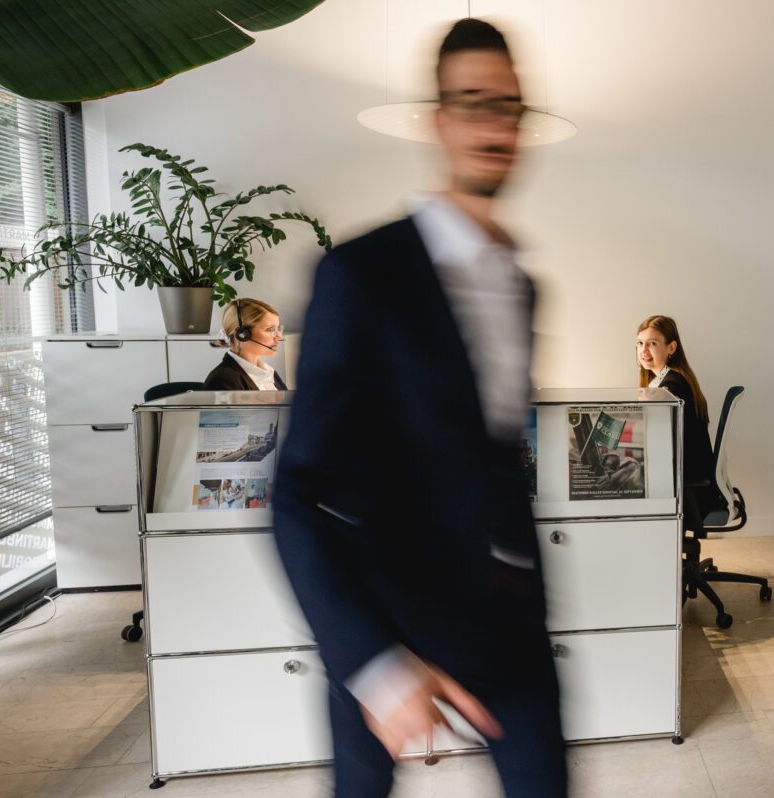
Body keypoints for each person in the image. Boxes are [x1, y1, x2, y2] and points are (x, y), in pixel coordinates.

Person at [271, 18, 566, 798]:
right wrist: (371, 664)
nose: (494, 125)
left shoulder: (523, 285)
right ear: (439, 121)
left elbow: (493, 460)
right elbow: (295, 495)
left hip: (504, 621)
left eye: (510, 107)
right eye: (474, 103)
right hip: (387, 617)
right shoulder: (361, 275)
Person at [636, 315, 726, 520]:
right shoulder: (667, 380)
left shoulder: (671, 386)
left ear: (671, 348)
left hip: (687, 488)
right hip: (684, 479)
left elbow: (656, 438)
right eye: (640, 343)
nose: (644, 350)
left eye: (652, 343)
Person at [201, 297, 288, 390]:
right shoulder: (222, 380)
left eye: (277, 328)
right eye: (270, 329)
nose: (279, 336)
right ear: (242, 334)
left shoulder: (269, 372)